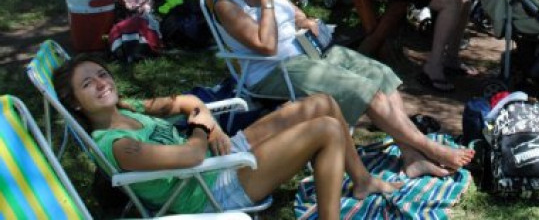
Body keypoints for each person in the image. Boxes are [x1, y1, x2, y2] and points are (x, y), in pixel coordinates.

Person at [215, 0, 474, 177]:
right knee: (365, 90)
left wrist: (306, 22)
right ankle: (431, 149)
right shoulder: (227, 4)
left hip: (307, 52)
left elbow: (297, 15)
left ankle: (411, 156)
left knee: (381, 74)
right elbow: (266, 46)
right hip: (273, 70)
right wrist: (266, 1)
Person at [53, 56, 400, 218]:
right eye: (88, 84)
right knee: (324, 129)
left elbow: (187, 101)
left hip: (217, 159)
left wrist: (207, 121)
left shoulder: (127, 107)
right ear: (73, 102)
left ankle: (362, 180)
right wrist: (203, 125)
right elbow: (189, 157)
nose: (102, 83)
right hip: (208, 191)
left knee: (321, 103)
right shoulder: (117, 145)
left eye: (101, 74)